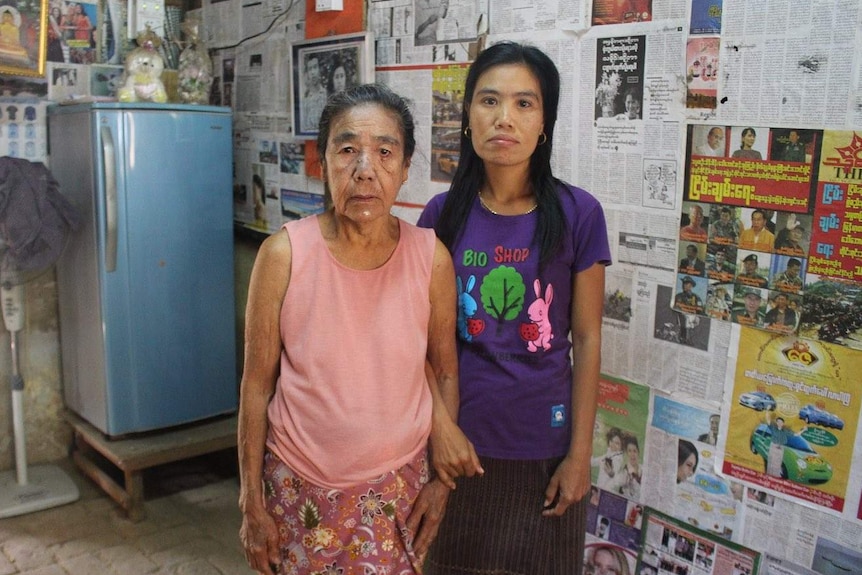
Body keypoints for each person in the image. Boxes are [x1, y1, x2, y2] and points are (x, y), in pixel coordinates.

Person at [238, 84, 481, 575]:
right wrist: (251, 502)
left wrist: (439, 484)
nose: (365, 169)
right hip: (297, 485)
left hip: (396, 492)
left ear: (405, 168)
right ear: (321, 161)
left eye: (385, 152)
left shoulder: (429, 257)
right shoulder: (284, 255)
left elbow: (445, 372)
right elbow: (256, 384)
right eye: (347, 149)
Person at [416, 41, 611, 575]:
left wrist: (579, 455)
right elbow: (417, 341)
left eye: (525, 103)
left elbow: (588, 338)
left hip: (544, 447)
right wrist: (440, 431)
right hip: (457, 445)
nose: (505, 118)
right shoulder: (440, 215)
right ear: (468, 118)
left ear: (544, 122)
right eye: (489, 101)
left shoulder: (579, 213)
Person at [609, 433, 642, 499]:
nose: (632, 454)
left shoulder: (643, 468)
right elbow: (612, 484)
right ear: (627, 453)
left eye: (634, 451)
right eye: (629, 451)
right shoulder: (624, 473)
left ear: (638, 452)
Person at [300, 55, 328, 132]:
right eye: (310, 69)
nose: (312, 72)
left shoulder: (327, 94)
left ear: (319, 70)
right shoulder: (305, 99)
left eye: (315, 67)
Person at [765, 412, 793, 477]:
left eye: (781, 422)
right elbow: (768, 420)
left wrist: (803, 430)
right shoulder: (773, 428)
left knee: (778, 463)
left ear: (783, 423)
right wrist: (767, 410)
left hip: (781, 448)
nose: (779, 423)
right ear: (777, 423)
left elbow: (795, 434)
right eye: (778, 422)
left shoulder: (785, 431)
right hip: (773, 446)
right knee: (771, 461)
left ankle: (776, 476)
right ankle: (768, 475)